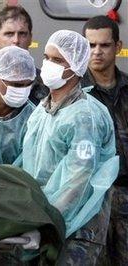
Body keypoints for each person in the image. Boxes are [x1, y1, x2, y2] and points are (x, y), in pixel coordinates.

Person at [21, 30, 119, 265]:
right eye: (46, 57)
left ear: (76, 66)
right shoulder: (42, 112)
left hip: (78, 230)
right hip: (44, 221)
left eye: (57, 60)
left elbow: (78, 181)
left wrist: (47, 225)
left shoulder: (84, 116)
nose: (47, 65)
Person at [82, 15, 128, 265]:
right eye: (90, 45)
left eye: (104, 45)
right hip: (90, 200)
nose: (97, 52)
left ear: (118, 47)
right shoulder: (75, 94)